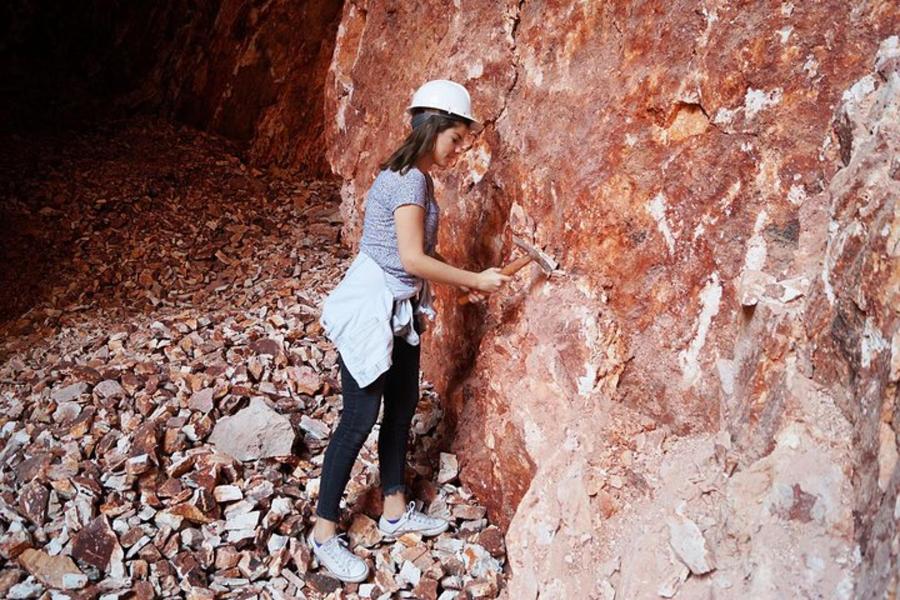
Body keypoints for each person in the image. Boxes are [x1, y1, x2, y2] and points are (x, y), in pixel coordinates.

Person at [309, 79, 511, 582]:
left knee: (400, 409)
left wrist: (462, 284)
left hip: (399, 307)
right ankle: (323, 533)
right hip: (373, 308)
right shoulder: (409, 181)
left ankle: (395, 510)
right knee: (358, 419)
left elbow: (420, 253)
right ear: (433, 127)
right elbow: (411, 258)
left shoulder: (414, 175)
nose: (459, 150)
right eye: (456, 138)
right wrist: (474, 279)